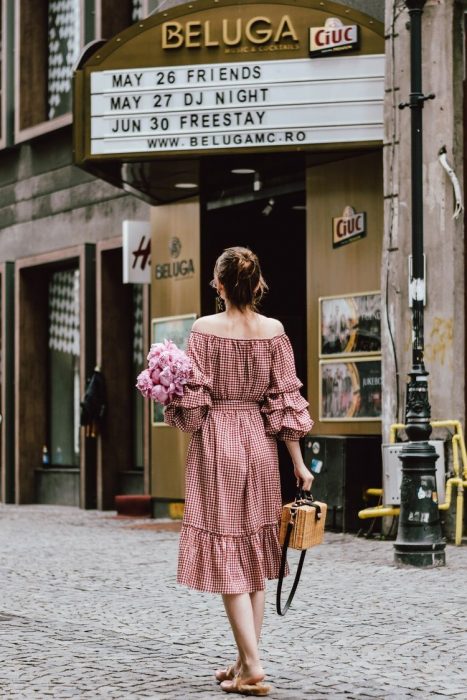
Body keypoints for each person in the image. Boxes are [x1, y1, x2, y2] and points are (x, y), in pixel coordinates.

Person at [164, 246, 314, 696]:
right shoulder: (274, 331)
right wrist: (299, 465)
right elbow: (284, 403)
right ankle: (244, 657)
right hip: (260, 444)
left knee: (231, 553)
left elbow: (193, 408)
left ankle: (252, 666)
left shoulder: (204, 330)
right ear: (257, 284)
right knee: (252, 552)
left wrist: (169, 393)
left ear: (220, 285)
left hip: (217, 443)